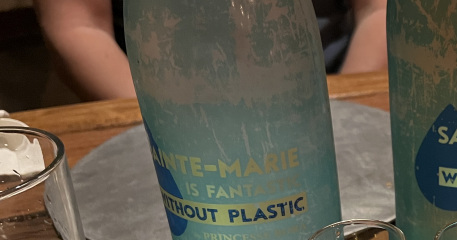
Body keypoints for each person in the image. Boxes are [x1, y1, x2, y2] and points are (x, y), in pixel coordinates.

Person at [33, 0, 387, 102]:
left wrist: (343, 112)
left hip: (324, 85)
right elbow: (78, 26)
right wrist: (165, 133)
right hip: (157, 93)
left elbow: (380, 9)